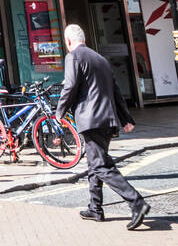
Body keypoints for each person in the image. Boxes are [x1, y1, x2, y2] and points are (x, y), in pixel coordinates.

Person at [57, 24, 150, 230]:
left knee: (100, 166)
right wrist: (126, 118)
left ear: (68, 41)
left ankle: (137, 202)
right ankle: (95, 208)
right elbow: (115, 91)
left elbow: (70, 86)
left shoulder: (73, 57)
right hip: (107, 120)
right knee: (94, 163)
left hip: (90, 120)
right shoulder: (100, 59)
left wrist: (59, 112)